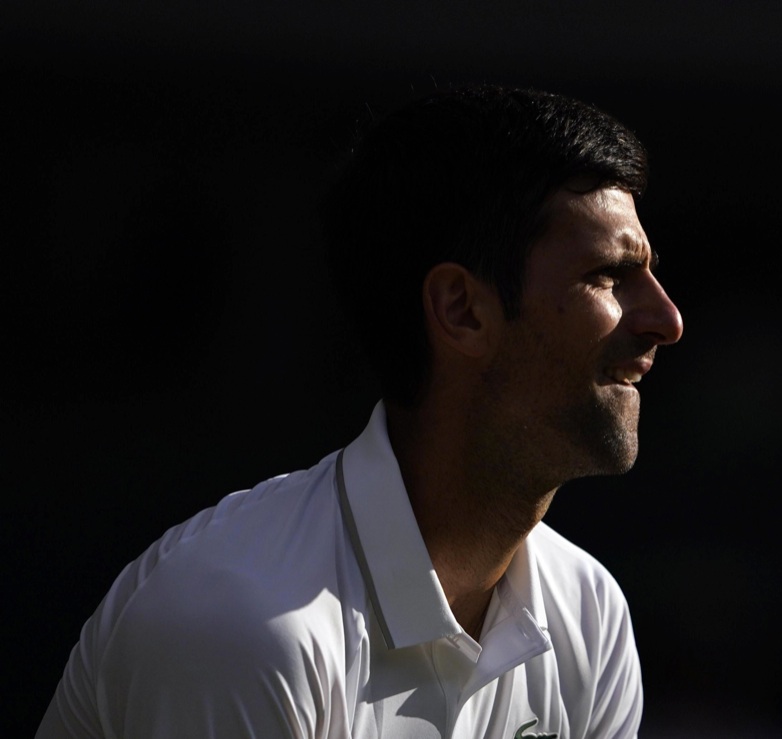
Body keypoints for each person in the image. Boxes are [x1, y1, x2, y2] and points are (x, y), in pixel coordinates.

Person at [36, 83, 683, 739]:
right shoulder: (240, 624)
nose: (667, 319)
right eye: (608, 275)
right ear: (461, 310)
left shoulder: (590, 614)